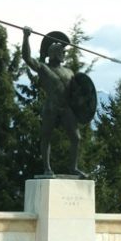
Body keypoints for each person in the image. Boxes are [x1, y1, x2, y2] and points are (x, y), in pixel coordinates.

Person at [22, 26, 85, 178]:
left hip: (66, 107)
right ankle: (47, 169)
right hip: (51, 107)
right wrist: (26, 37)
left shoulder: (69, 71)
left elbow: (76, 92)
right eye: (62, 52)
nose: (64, 54)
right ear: (55, 54)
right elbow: (27, 57)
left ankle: (73, 167)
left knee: (76, 138)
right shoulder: (43, 68)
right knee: (46, 136)